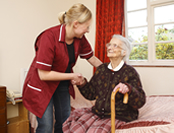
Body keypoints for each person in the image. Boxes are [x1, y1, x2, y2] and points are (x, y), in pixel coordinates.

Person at [22, 3, 102, 133]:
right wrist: (72, 76)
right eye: (87, 27)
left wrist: (111, 70)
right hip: (42, 85)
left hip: (61, 84)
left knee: (64, 123)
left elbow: (91, 58)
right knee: (46, 127)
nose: (88, 30)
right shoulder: (49, 37)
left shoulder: (79, 38)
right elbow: (43, 75)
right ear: (75, 24)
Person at [63, 34, 146, 133]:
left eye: (115, 45)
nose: (110, 48)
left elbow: (140, 100)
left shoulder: (130, 72)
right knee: (71, 126)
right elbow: (91, 94)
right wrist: (82, 83)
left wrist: (128, 89)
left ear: (124, 52)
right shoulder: (102, 69)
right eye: (109, 45)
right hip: (98, 113)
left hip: (118, 115)